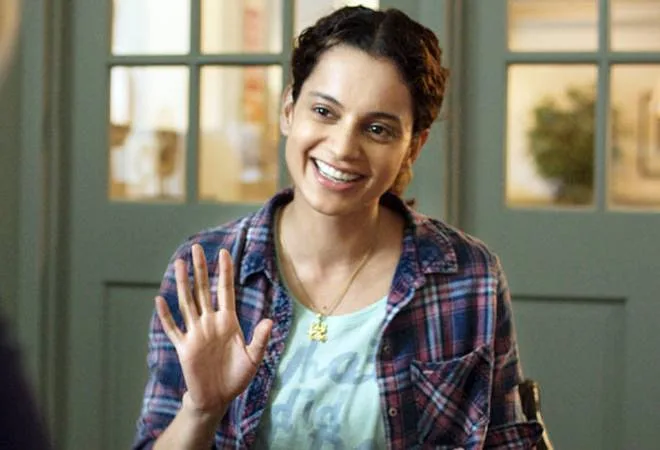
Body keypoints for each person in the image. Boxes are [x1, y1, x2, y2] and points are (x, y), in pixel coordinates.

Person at [133, 5, 543, 449]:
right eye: (324, 111)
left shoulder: (469, 275)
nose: (344, 147)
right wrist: (201, 409)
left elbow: (508, 441)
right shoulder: (208, 269)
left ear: (413, 146)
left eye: (378, 129)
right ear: (289, 110)